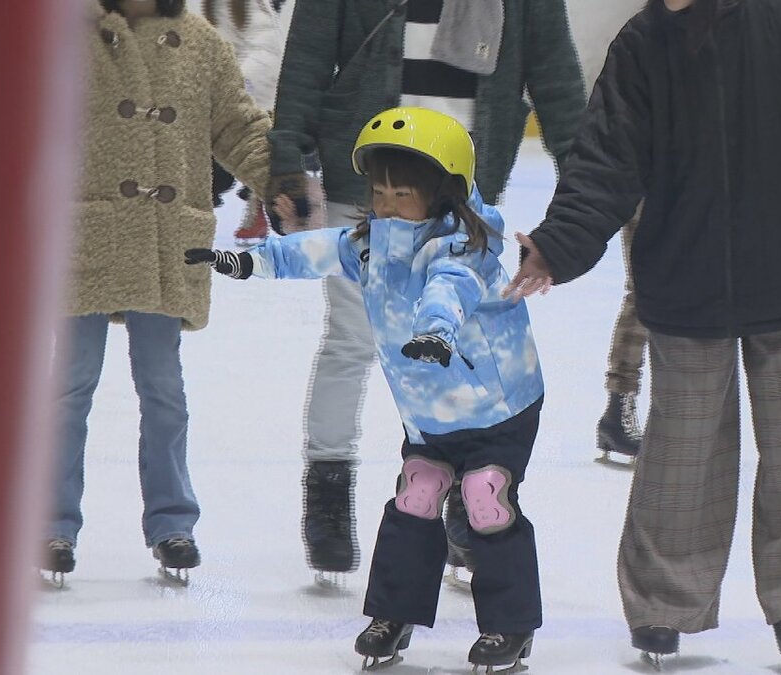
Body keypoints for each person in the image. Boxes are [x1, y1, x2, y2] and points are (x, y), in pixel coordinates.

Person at [504, 0, 781, 666]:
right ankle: (662, 604)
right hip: (686, 279)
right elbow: (604, 161)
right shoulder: (643, 44)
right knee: (682, 452)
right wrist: (558, 244)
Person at [188, 107, 545, 673]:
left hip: (498, 406)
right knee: (418, 494)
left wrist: (435, 333)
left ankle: (510, 624)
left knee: (485, 498)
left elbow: (446, 293)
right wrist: (244, 262)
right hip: (428, 413)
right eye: (378, 191)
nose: (384, 205)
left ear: (444, 193)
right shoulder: (371, 243)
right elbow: (309, 251)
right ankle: (394, 614)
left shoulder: (462, 249)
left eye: (401, 194)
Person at [265, 0, 585, 581]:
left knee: (459, 356)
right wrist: (288, 160)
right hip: (370, 185)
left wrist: (582, 201)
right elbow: (309, 55)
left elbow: (558, 83)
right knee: (353, 341)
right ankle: (330, 494)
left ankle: (466, 498)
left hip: (458, 194)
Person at [41, 0, 273, 584]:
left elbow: (238, 125)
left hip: (164, 239)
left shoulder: (199, 43)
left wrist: (283, 179)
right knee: (70, 388)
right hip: (88, 233)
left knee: (164, 389)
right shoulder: (67, 36)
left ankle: (173, 524)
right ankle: (52, 524)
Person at [201, 0, 287, 245]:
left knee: (228, 162)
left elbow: (266, 49)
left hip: (245, 99)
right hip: (228, 96)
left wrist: (234, 87)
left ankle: (259, 204)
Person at [595, 205, 648, 466]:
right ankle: (618, 411)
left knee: (646, 293)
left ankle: (618, 411)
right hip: (658, 181)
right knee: (647, 292)